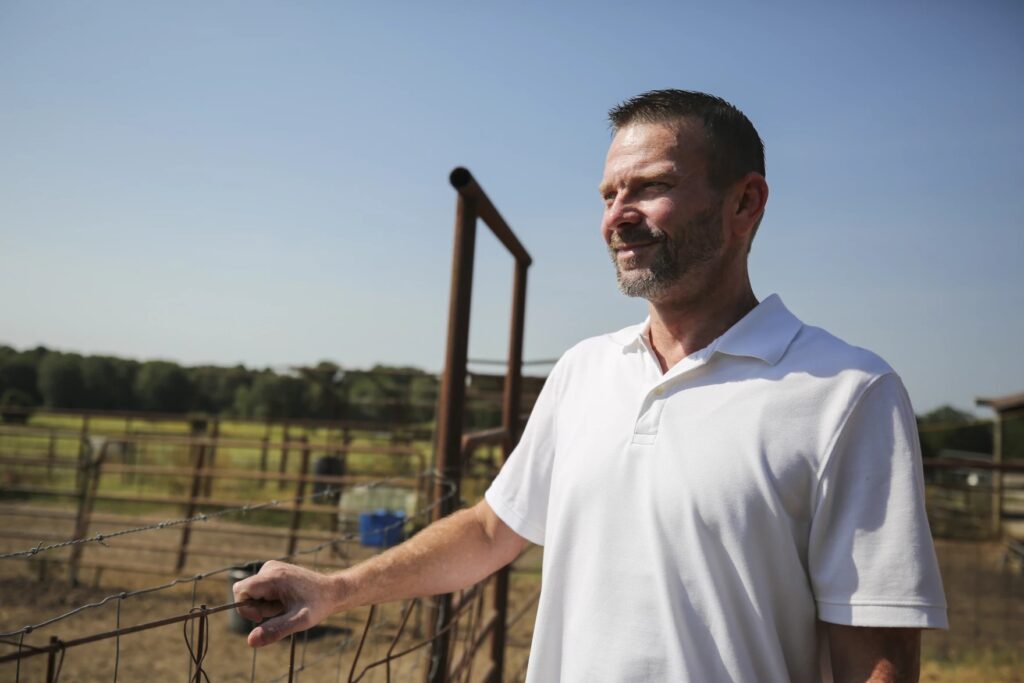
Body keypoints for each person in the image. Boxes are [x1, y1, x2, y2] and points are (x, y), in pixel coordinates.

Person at [234, 89, 947, 682]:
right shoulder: (584, 369)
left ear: (744, 203)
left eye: (651, 187)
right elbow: (490, 530)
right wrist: (336, 589)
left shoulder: (847, 392)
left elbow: (877, 652)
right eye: (609, 194)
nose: (617, 216)